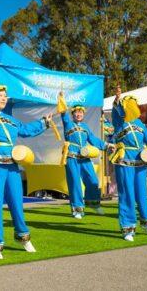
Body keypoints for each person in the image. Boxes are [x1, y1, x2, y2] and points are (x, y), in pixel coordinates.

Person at [0, 66, 52, 259]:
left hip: (12, 164)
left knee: (17, 202)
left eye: (5, 96)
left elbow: (25, 130)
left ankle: (22, 236)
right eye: (0, 95)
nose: (3, 98)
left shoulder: (10, 119)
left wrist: (44, 122)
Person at [110, 86, 147, 241]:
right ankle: (128, 228)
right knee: (127, 194)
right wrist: (117, 98)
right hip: (124, 161)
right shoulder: (119, 121)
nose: (132, 107)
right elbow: (115, 111)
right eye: (129, 104)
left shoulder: (141, 124)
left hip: (140, 162)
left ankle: (146, 223)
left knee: (142, 194)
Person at [57, 90, 112, 219]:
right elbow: (63, 113)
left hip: (85, 157)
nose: (78, 114)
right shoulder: (68, 124)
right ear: (73, 114)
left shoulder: (86, 127)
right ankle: (77, 210)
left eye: (81, 112)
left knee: (93, 180)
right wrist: (61, 99)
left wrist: (108, 145)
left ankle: (93, 203)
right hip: (72, 158)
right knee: (75, 183)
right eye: (76, 112)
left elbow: (93, 140)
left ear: (83, 114)